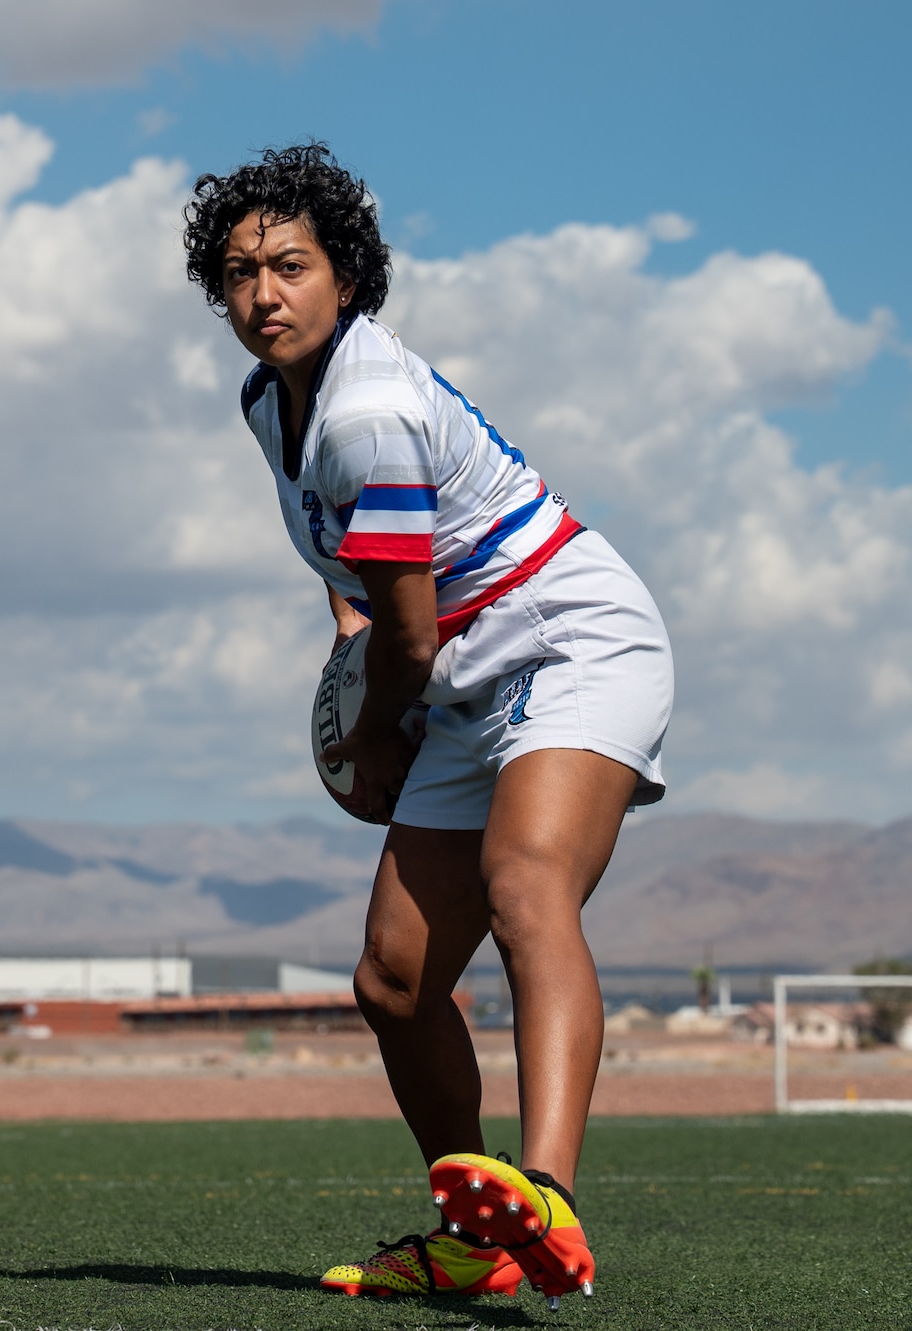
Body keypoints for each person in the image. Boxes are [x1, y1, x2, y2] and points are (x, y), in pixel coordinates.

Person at [182, 143, 674, 1307]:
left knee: (523, 883)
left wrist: (372, 733)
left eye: (290, 266)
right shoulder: (267, 403)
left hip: (564, 634)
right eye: (240, 272)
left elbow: (404, 635)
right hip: (454, 668)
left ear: (345, 278)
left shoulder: (365, 412)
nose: (263, 294)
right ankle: (472, 1238)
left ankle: (544, 1193)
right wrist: (353, 652)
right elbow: (360, 581)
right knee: (393, 978)